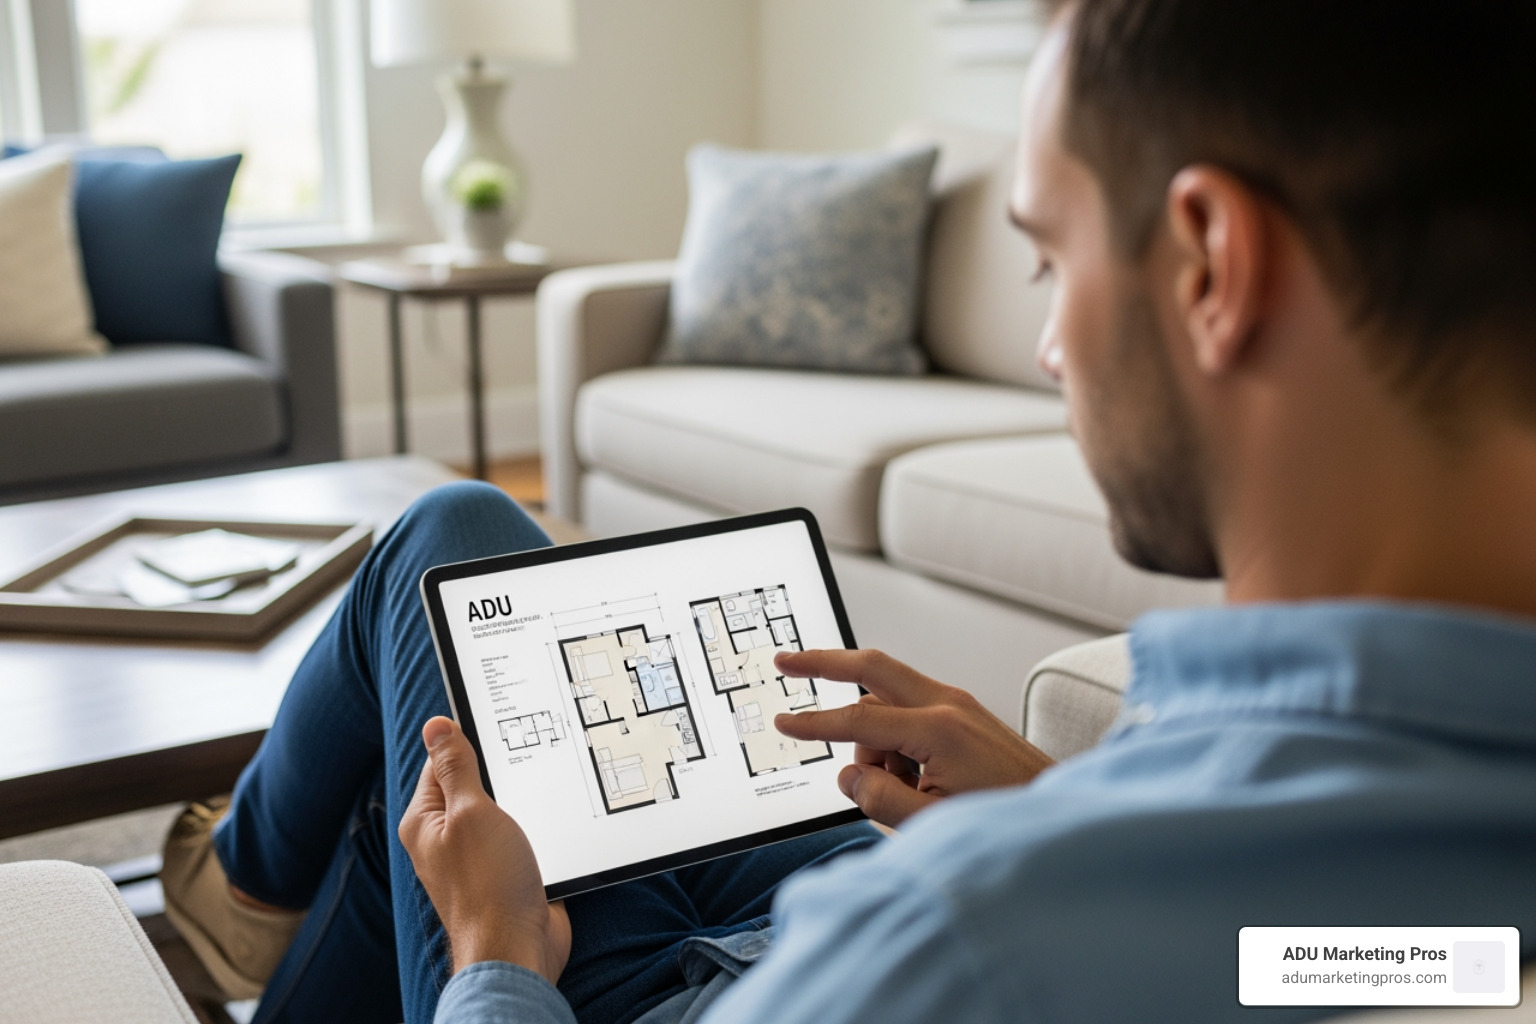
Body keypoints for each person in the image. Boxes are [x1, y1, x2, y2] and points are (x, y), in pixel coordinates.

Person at [162, 0, 1536, 1021]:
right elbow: (1349, 958)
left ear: (1209, 266)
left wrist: (494, 958)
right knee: (463, 695)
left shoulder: (959, 941)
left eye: (1048, 258)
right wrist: (1055, 800)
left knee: (442, 575)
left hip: (667, 985)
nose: (1049, 346)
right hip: (816, 897)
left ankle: (240, 892)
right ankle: (269, 885)